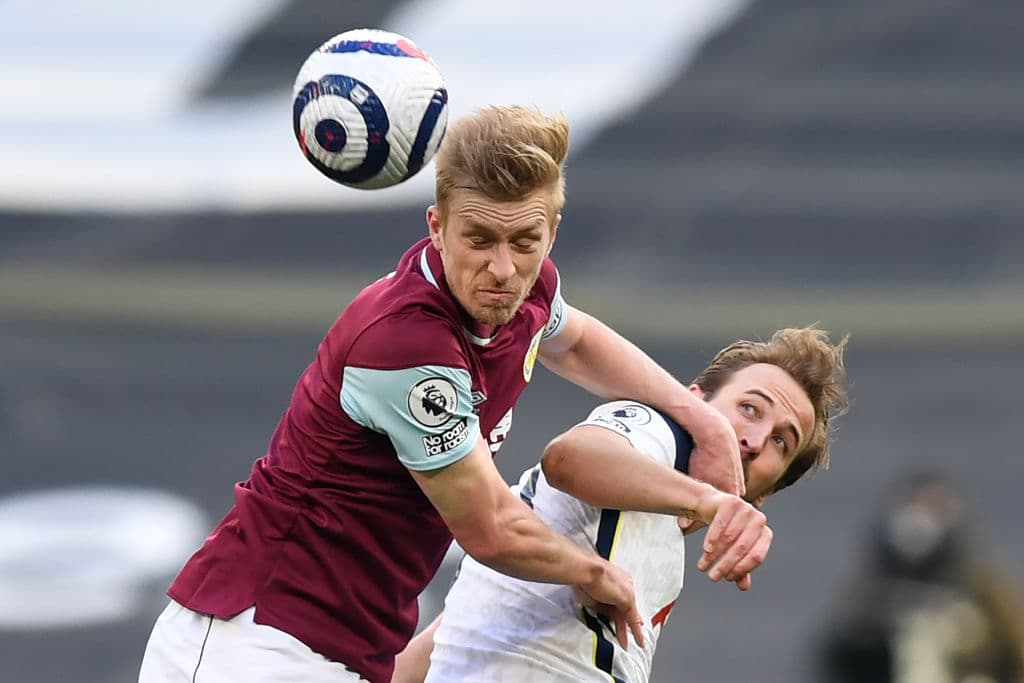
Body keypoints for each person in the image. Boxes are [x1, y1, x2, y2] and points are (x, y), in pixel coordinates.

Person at [136, 105, 772, 683]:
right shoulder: (407, 345)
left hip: (340, 656)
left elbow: (574, 341)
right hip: (252, 643)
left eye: (525, 242)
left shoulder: (526, 289)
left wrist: (704, 422)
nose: (501, 269)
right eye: (479, 239)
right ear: (436, 227)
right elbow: (491, 528)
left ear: (551, 233)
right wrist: (597, 574)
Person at [391, 326, 849, 683]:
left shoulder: (663, 547)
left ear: (763, 495)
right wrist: (709, 500)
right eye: (749, 408)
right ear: (694, 403)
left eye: (781, 443)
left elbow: (442, 644)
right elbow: (570, 458)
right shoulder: (658, 432)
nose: (753, 440)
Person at [817, 470, 1024, 683]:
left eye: (930, 506)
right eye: (910, 503)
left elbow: (1016, 653)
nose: (917, 516)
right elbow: (835, 658)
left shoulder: (982, 584)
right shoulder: (870, 590)